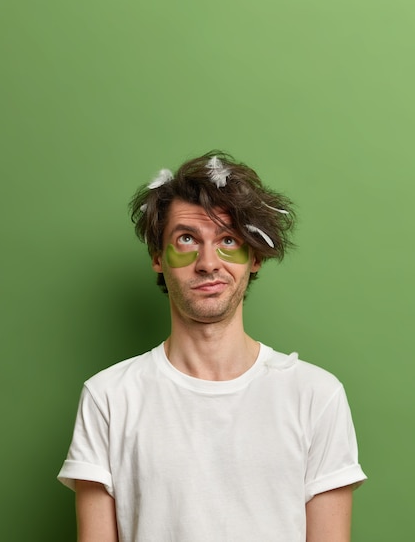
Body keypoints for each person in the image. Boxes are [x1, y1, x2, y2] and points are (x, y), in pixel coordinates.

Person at [58, 151, 367, 542]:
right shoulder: (108, 397)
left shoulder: (316, 396)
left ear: (254, 256)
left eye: (228, 239)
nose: (208, 262)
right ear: (158, 257)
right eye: (187, 239)